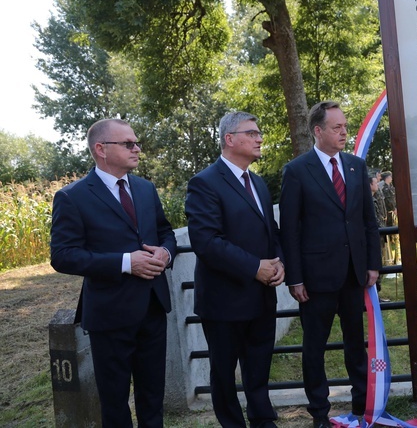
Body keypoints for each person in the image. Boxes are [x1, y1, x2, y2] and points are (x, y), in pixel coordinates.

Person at [50, 119, 176, 427]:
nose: (137, 149)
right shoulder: (72, 196)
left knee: (152, 397)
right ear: (101, 149)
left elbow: (165, 232)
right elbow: (63, 256)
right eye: (129, 144)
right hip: (110, 313)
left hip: (153, 307)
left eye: (136, 142)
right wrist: (125, 262)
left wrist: (166, 252)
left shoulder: (145, 188)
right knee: (115, 404)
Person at [280, 101, 381, 428]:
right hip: (315, 280)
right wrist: (294, 277)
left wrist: (373, 264)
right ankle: (319, 415)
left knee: (356, 345)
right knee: (314, 349)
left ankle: (362, 407)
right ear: (318, 130)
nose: (344, 132)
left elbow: (368, 220)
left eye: (345, 126)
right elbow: (290, 230)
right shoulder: (296, 170)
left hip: (354, 275)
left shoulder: (355, 166)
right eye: (337, 127)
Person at [185, 111, 285, 428]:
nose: (260, 138)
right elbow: (207, 241)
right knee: (224, 373)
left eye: (259, 132)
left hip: (261, 296)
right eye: (252, 133)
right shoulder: (204, 183)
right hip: (224, 300)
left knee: (258, 367)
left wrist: (279, 261)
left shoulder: (257, 182)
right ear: (230, 139)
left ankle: (262, 420)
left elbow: (271, 229)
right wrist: (254, 266)